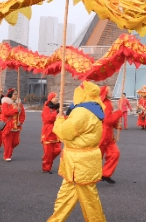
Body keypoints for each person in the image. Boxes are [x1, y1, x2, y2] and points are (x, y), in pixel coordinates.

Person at [47, 81, 107, 222]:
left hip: (79, 163)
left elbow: (64, 132)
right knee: (67, 196)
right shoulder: (93, 108)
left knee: (89, 201)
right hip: (79, 162)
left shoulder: (82, 111)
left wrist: (59, 120)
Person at [99, 86, 122, 184]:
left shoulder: (108, 103)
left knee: (114, 153)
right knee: (97, 157)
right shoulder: (105, 104)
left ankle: (105, 174)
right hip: (102, 134)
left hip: (108, 134)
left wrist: (116, 125)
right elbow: (108, 120)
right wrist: (118, 113)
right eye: (110, 90)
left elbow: (109, 120)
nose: (112, 92)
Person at [1, 88, 26, 162]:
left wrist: (20, 122)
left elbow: (23, 115)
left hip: (17, 126)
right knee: (8, 142)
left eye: (17, 94)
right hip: (8, 126)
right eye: (15, 94)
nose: (16, 95)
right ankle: (7, 156)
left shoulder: (19, 104)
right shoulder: (5, 103)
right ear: (11, 95)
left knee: (16, 142)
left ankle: (8, 150)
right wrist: (15, 110)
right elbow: (6, 113)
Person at [41, 92, 61, 174]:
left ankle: (46, 159)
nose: (57, 98)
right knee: (48, 152)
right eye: (55, 97)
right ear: (51, 99)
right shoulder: (46, 108)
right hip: (48, 131)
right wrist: (57, 113)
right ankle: (46, 168)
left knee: (58, 150)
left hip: (57, 132)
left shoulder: (59, 109)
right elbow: (48, 118)